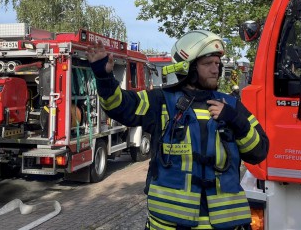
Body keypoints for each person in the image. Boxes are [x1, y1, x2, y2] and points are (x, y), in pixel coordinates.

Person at [86, 30, 269, 230]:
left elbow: (258, 152)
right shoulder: (161, 101)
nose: (216, 69)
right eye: (208, 64)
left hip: (225, 224)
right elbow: (119, 106)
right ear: (188, 67)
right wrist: (103, 76)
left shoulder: (232, 107)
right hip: (168, 224)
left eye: (217, 63)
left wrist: (235, 121)